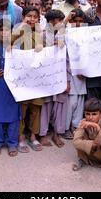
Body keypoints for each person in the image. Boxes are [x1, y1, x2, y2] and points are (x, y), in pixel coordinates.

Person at [14, 6, 44, 153]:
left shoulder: (41, 34)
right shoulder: (17, 31)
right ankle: (20, 137)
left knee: (36, 107)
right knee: (22, 108)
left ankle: (33, 136)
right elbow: (10, 44)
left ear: (39, 18)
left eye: (34, 16)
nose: (32, 19)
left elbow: (48, 52)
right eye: (29, 16)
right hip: (22, 77)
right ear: (23, 17)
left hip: (37, 78)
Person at [0, 19, 21, 157]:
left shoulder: (18, 47)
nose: (4, 33)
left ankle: (12, 143)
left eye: (8, 30)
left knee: (13, 114)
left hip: (13, 86)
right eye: (2, 30)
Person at [39, 10, 69, 148]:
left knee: (60, 106)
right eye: (59, 21)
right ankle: (43, 134)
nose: (61, 24)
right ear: (51, 22)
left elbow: (68, 59)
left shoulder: (65, 36)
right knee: (46, 105)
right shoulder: (43, 36)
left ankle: (57, 133)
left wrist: (68, 79)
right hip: (46, 76)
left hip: (61, 75)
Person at [72, 98, 101, 177]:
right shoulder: (82, 122)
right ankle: (82, 159)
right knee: (77, 135)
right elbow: (75, 142)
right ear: (84, 114)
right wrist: (92, 144)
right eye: (88, 114)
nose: (90, 117)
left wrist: (97, 128)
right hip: (90, 150)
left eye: (94, 114)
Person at [62, 8, 88, 140]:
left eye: (80, 21)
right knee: (71, 102)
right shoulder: (66, 33)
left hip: (82, 75)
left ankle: (75, 126)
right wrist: (66, 20)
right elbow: (52, 36)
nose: (77, 24)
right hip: (69, 74)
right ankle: (66, 127)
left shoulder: (87, 35)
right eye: (74, 21)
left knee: (80, 102)